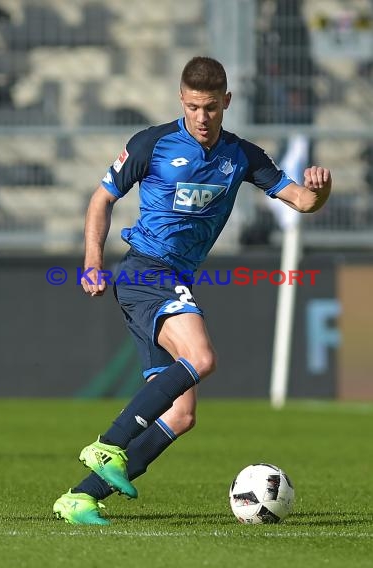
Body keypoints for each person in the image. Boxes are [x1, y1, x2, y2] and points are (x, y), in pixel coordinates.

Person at [53, 56, 332, 525]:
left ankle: (80, 498)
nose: (202, 118)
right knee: (201, 359)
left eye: (212, 108)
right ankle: (107, 445)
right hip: (146, 271)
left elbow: (301, 200)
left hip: (172, 279)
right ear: (182, 100)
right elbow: (102, 198)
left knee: (181, 415)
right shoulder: (152, 144)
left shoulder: (242, 156)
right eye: (194, 107)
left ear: (227, 102)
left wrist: (319, 192)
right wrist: (92, 262)